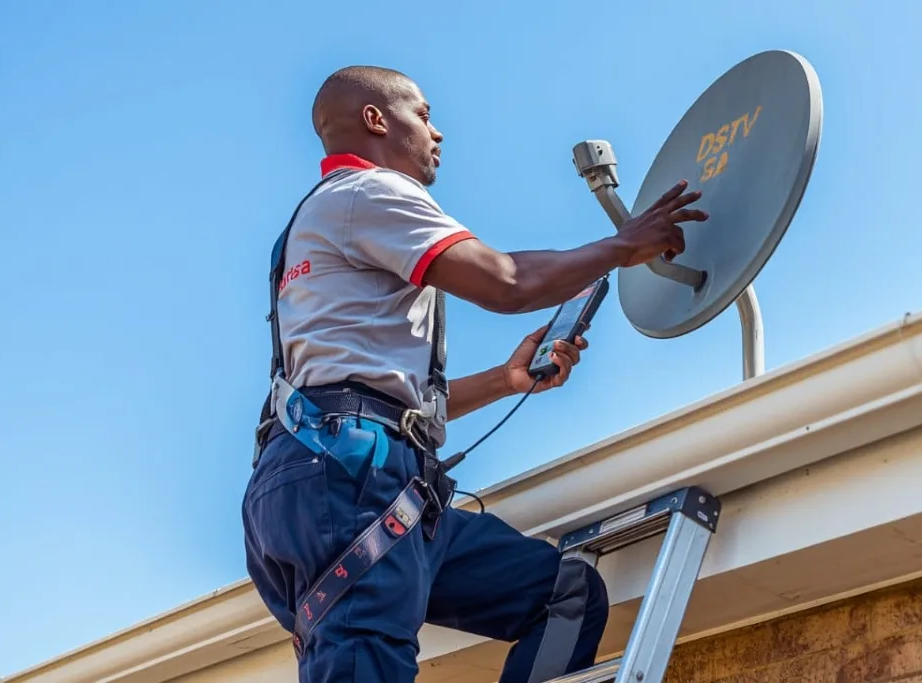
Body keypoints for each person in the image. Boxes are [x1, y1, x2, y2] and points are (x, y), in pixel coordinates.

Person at [241, 65, 708, 683]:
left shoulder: (316, 221)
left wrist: (505, 379)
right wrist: (625, 245)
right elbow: (507, 282)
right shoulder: (369, 192)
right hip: (354, 483)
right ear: (377, 121)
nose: (438, 133)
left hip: (326, 479)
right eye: (424, 115)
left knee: (564, 594)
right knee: (363, 660)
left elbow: (365, 388)